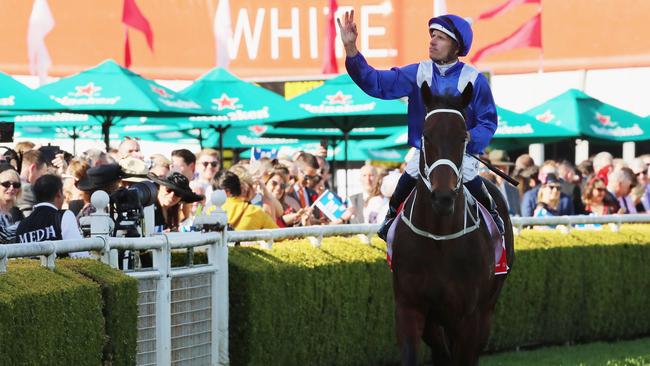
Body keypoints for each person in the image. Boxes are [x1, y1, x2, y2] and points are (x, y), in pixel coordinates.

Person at [339, 11, 501, 240]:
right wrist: (351, 50)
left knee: (470, 178)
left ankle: (494, 218)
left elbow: (488, 121)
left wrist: (470, 136)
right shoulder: (418, 72)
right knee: (402, 187)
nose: (432, 41)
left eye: (440, 37)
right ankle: (390, 220)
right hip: (425, 152)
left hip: (461, 153)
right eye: (432, 35)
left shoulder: (474, 79)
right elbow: (376, 82)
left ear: (456, 46)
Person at [15, 174, 88, 257]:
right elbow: (79, 255)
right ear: (59, 193)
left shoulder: (22, 225)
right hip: (61, 269)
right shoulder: (64, 216)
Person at [213, 170, 278, 230]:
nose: (245, 189)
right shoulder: (255, 212)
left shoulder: (210, 211)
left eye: (250, 185)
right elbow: (279, 235)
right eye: (241, 185)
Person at [488, 150, 521, 216]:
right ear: (490, 169)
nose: (502, 171)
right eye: (499, 167)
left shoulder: (514, 191)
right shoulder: (484, 189)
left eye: (505, 168)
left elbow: (519, 215)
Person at [17, 149, 48, 216]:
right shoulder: (27, 190)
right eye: (42, 176)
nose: (43, 180)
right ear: (32, 168)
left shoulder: (11, 184)